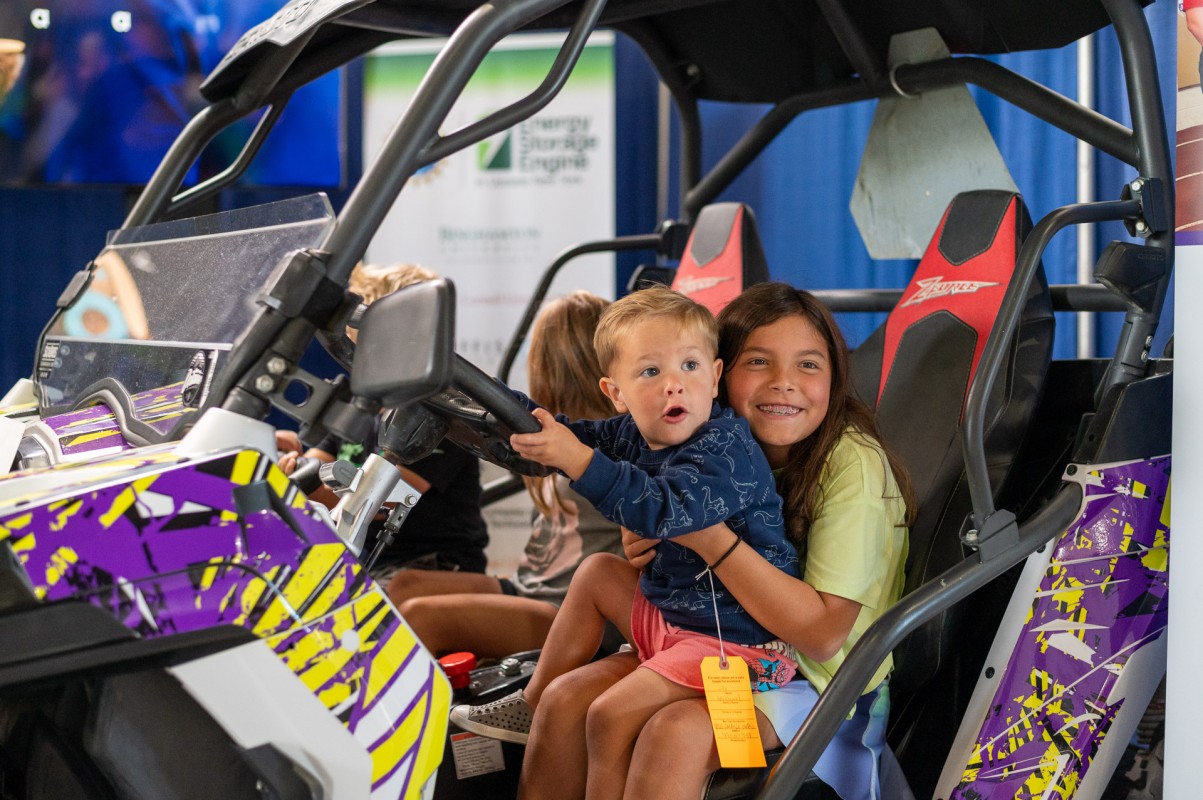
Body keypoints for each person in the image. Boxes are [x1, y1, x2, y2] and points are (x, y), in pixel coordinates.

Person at [513, 282, 915, 800]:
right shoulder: (710, 434)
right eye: (759, 363)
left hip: (809, 686)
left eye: (808, 366)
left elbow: (820, 637)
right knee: (566, 699)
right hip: (704, 634)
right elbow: (624, 468)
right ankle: (526, 708)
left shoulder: (851, 468)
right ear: (726, 372)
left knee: (671, 733)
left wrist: (703, 537)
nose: (784, 384)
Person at [450, 285, 801, 798]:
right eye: (651, 372)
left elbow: (662, 508)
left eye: (689, 367)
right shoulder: (634, 433)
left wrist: (576, 460)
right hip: (677, 621)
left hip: (738, 645)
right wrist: (467, 390)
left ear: (716, 375)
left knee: (607, 715)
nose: (673, 387)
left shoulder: (726, 450)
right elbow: (560, 431)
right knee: (596, 572)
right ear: (616, 392)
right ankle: (532, 701)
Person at [387, 290, 626, 657]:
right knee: (403, 586)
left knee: (424, 617)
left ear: (549, 364)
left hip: (572, 613)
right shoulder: (549, 438)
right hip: (529, 588)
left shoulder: (618, 443)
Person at [277, 262, 489, 576]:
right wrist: (287, 460)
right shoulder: (359, 396)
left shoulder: (441, 408)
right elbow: (315, 463)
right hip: (371, 561)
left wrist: (297, 478)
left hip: (435, 566)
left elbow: (378, 502)